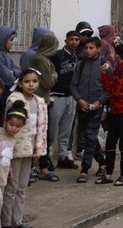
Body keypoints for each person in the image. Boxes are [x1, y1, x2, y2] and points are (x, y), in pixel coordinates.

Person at [2, 69, 48, 227]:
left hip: (30, 151)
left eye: (34, 81)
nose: (31, 84)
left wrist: (38, 149)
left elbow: (40, 128)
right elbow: (8, 127)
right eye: (27, 81)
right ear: (20, 83)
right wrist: (6, 153)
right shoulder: (14, 100)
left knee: (22, 188)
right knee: (11, 188)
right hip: (13, 152)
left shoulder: (39, 102)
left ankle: (18, 222)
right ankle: (7, 223)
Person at [70, 36, 108, 183]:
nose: (87, 50)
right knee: (87, 136)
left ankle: (85, 169)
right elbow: (73, 85)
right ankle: (102, 161)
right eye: (86, 48)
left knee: (91, 135)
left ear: (98, 49)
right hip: (82, 106)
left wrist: (100, 102)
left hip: (97, 107)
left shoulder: (105, 65)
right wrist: (79, 100)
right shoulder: (80, 65)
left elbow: (109, 88)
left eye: (91, 48)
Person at [98, 44, 123, 186]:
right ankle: (108, 173)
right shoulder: (117, 70)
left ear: (118, 55)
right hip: (115, 111)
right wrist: (105, 76)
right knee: (110, 143)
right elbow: (109, 88)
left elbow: (117, 91)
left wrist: (107, 80)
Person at [28, 33, 60, 179]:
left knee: (44, 135)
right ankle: (41, 167)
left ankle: (42, 166)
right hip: (38, 103)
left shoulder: (45, 59)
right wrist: (54, 75)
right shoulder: (40, 60)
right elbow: (49, 81)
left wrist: (53, 73)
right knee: (39, 135)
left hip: (43, 102)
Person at [50, 30, 80, 169]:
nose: (74, 42)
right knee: (51, 128)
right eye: (71, 39)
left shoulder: (77, 57)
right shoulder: (57, 56)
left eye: (76, 39)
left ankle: (63, 156)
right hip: (57, 96)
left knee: (67, 129)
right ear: (66, 40)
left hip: (71, 97)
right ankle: (47, 156)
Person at [0, 101, 26, 199]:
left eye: (18, 126)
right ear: (6, 121)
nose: (14, 128)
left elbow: (7, 156)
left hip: (2, 177)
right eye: (11, 124)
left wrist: (9, 169)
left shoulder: (14, 139)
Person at [0, 27, 20, 106]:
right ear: (3, 41)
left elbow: (19, 70)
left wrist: (13, 72)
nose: (13, 43)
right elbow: (9, 79)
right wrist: (13, 74)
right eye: (11, 40)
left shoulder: (5, 55)